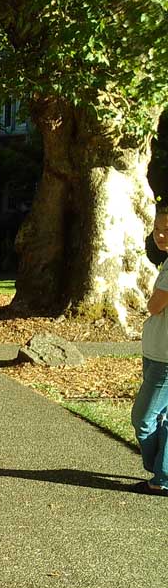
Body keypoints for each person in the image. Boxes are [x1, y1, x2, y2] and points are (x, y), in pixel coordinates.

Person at [131, 209, 168, 495]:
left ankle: (162, 473)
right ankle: (161, 474)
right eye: (157, 228)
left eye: (166, 228)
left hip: (164, 358)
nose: (160, 234)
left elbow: (154, 306)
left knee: (143, 418)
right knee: (162, 418)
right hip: (156, 351)